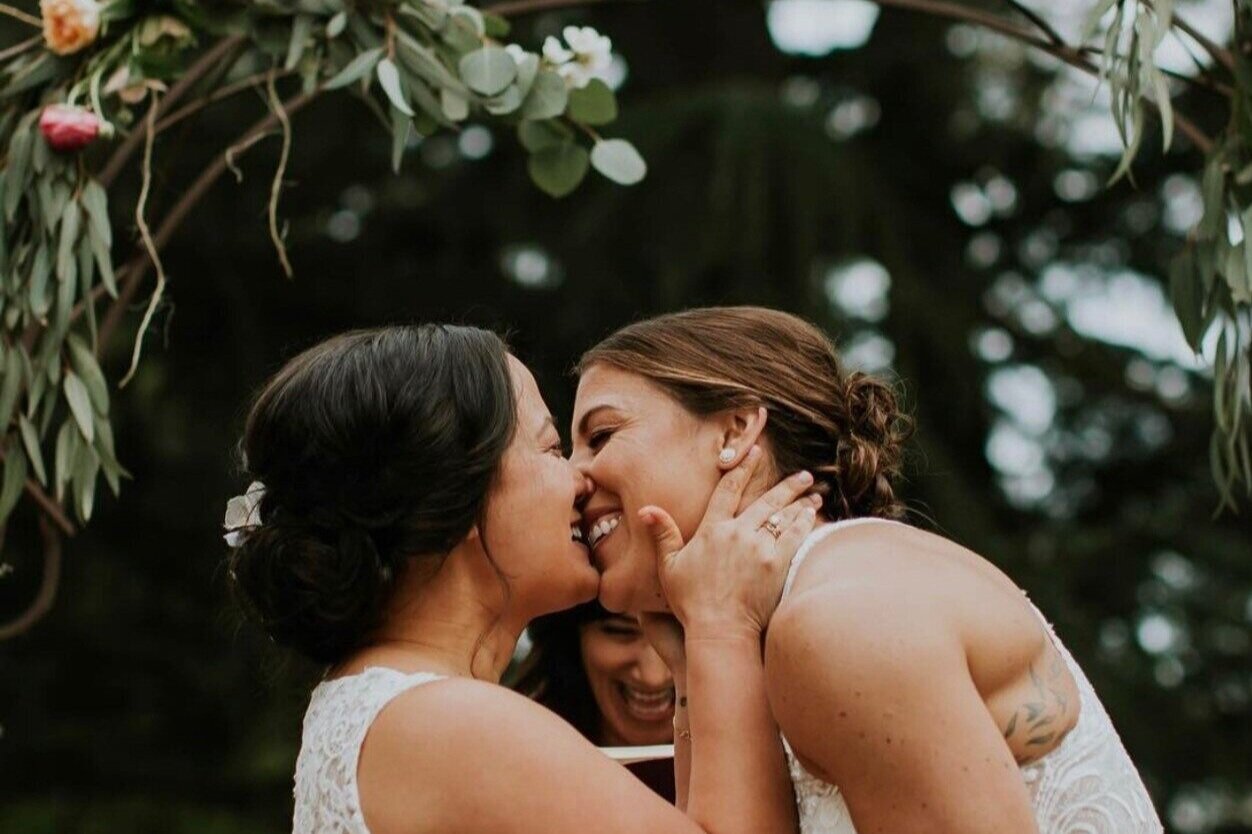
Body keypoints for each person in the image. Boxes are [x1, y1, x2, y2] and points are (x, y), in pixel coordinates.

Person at [571, 306, 1164, 834]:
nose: (575, 477)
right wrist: (697, 654)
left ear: (734, 432)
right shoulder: (765, 624)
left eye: (600, 435)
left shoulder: (844, 618)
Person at [224, 324, 814, 834]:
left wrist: (689, 663)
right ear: (464, 492)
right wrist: (721, 624)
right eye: (553, 449)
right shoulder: (449, 722)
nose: (581, 480)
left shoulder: (390, 707)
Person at [517, 603, 677, 799]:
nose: (654, 677)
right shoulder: (509, 761)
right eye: (620, 631)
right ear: (572, 637)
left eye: (680, 632)